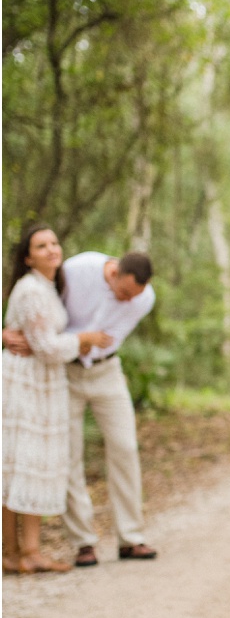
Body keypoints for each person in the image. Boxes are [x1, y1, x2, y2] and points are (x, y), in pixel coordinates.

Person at [2, 249, 158, 566]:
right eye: (125, 293)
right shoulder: (75, 270)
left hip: (107, 370)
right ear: (113, 273)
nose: (129, 301)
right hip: (65, 372)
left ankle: (131, 537)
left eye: (135, 296)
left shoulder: (144, 299)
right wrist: (21, 335)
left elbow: (107, 338)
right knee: (69, 454)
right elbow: (42, 310)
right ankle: (83, 542)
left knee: (125, 447)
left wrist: (54, 342)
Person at [2, 226, 113, 574]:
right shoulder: (32, 289)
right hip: (25, 384)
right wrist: (84, 339)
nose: (51, 249)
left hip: (42, 382)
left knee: (28, 464)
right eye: (41, 245)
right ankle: (15, 551)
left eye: (53, 243)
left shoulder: (50, 287)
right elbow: (47, 348)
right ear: (27, 257)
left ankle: (24, 551)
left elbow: (44, 342)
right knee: (21, 463)